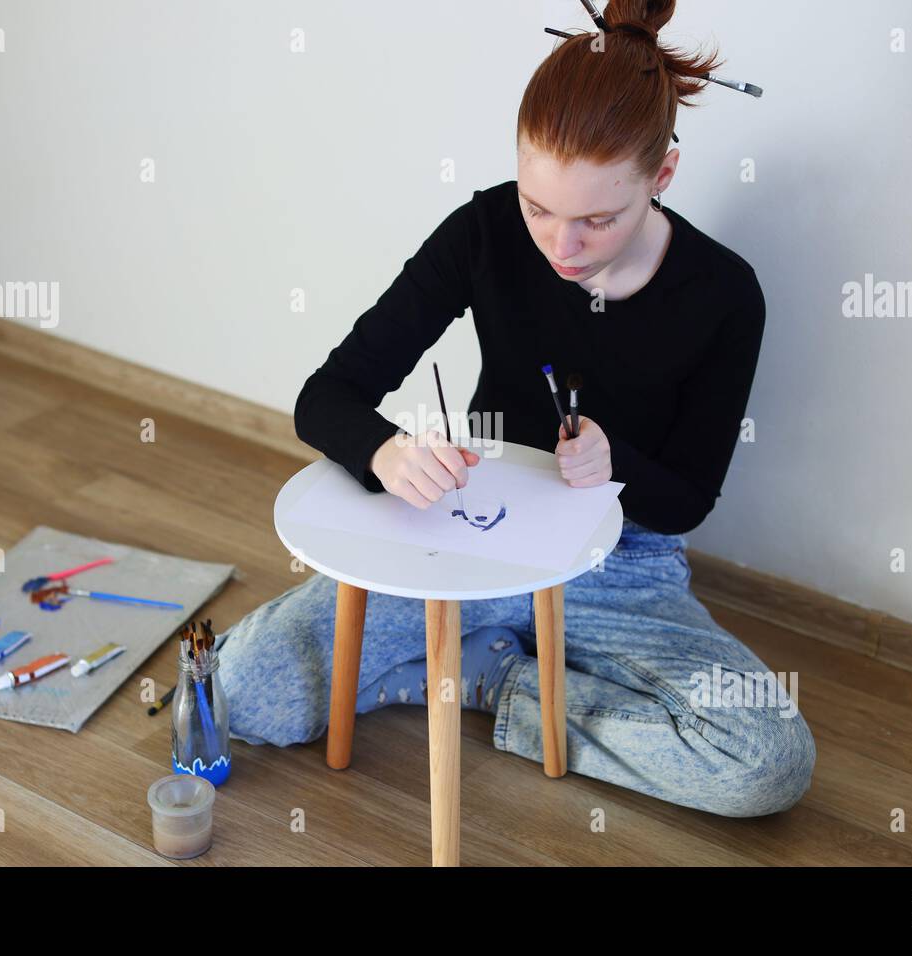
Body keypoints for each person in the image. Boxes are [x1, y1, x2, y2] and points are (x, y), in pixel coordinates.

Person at [217, 0, 815, 818]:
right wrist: (388, 453)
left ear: (663, 177)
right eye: (540, 208)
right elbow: (327, 397)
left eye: (597, 220)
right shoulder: (485, 231)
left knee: (766, 762)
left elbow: (687, 501)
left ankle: (491, 677)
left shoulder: (724, 293)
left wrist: (617, 467)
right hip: (468, 529)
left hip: (620, 563)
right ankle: (501, 672)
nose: (559, 248)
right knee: (239, 696)